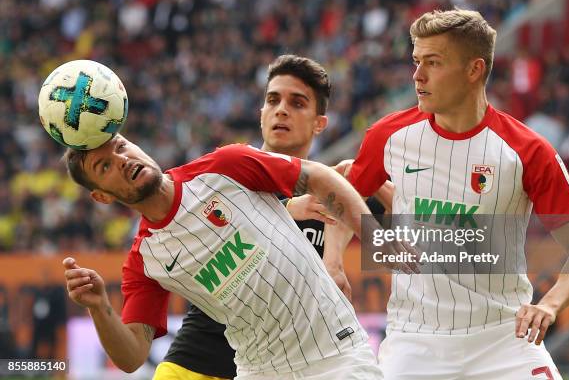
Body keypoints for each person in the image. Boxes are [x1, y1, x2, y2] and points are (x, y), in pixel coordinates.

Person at [346, 8, 569, 379]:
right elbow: (341, 198)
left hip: (504, 338)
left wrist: (549, 305)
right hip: (415, 342)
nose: (417, 76)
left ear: (474, 69)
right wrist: (351, 249)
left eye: (433, 63)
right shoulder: (388, 137)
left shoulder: (528, 150)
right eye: (416, 61)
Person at [61, 131, 387, 377]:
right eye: (104, 166)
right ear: (101, 196)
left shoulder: (225, 165)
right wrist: (100, 308)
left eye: (121, 147)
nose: (122, 160)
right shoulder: (145, 261)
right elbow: (132, 357)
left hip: (338, 355)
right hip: (259, 371)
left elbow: (318, 176)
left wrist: (377, 238)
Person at [153, 54, 367, 380]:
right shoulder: (228, 173)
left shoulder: (332, 192)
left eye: (297, 103)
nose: (281, 109)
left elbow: (401, 244)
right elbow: (196, 240)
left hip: (295, 367)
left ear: (319, 123)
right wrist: (283, 210)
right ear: (262, 114)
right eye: (273, 100)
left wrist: (335, 256)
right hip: (197, 364)